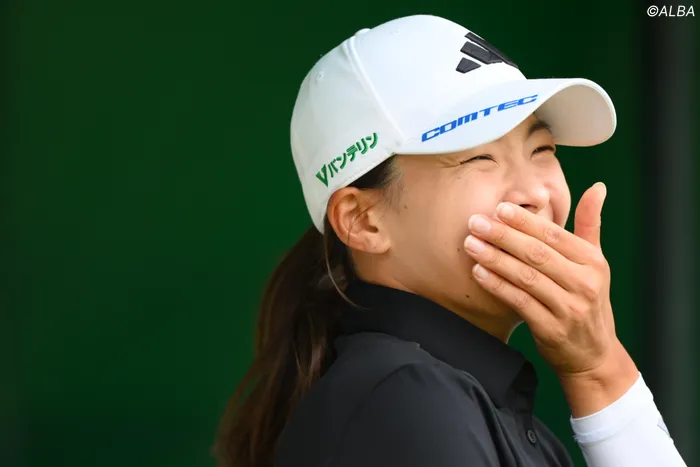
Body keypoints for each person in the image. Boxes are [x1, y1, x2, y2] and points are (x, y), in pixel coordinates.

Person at [213, 14, 688, 467]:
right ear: (363, 221)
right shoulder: (405, 397)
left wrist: (599, 368)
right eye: (479, 158)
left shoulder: (446, 395)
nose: (535, 194)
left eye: (541, 149)